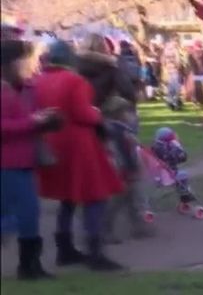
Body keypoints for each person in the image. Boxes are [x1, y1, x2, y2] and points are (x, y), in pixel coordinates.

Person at [34, 40, 125, 272]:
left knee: (68, 197)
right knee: (95, 196)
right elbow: (83, 114)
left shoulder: (39, 80)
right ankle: (95, 252)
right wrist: (97, 115)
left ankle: (64, 248)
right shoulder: (75, 81)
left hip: (53, 141)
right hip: (79, 144)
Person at [1, 39, 62, 280]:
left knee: (29, 213)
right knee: (14, 215)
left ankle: (29, 265)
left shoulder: (26, 87)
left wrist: (44, 118)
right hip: (6, 163)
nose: (30, 64)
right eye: (24, 59)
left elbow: (25, 117)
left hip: (26, 160)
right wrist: (32, 122)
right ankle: (28, 265)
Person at [102, 96, 153, 244]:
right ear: (117, 113)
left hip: (128, 167)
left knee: (132, 199)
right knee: (116, 201)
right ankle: (106, 230)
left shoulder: (123, 129)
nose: (129, 115)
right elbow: (114, 151)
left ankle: (137, 227)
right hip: (120, 169)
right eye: (126, 112)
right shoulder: (111, 130)